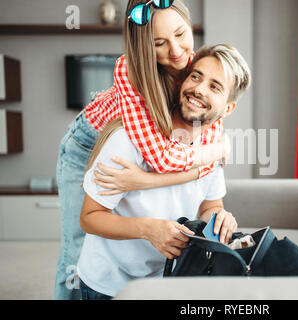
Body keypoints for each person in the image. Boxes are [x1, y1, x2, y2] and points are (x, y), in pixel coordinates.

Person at [54, 0, 227, 300]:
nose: (175, 51)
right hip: (84, 143)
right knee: (75, 249)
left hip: (140, 149)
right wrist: (206, 159)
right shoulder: (131, 75)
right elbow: (161, 158)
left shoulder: (198, 68)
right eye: (159, 43)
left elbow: (212, 128)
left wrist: (210, 154)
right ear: (145, 48)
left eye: (181, 34)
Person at [77, 44, 251, 299]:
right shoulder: (126, 140)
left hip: (165, 282)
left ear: (227, 109)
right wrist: (147, 229)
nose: (199, 89)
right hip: (107, 285)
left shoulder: (212, 149)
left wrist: (220, 216)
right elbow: (89, 217)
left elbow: (210, 205)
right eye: (196, 76)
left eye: (214, 86)